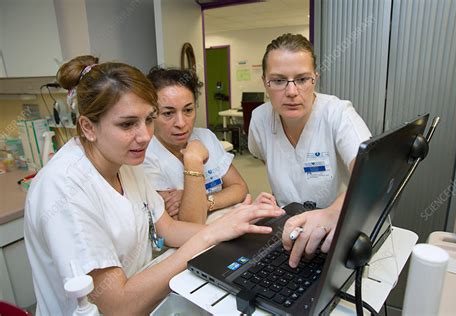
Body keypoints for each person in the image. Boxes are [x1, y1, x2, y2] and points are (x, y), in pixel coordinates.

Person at [23, 55, 285, 315]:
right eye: (127, 124)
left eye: (149, 119)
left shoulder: (124, 163)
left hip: (147, 294)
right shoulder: (65, 189)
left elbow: (168, 228)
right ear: (88, 127)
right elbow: (118, 304)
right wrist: (207, 235)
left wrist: (228, 227)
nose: (145, 136)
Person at [248, 33, 372, 267]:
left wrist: (333, 212)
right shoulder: (260, 120)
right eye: (278, 80)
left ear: (315, 78)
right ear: (265, 82)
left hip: (339, 224)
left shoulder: (338, 113)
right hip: (288, 228)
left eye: (302, 79)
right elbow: (273, 160)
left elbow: (370, 175)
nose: (292, 91)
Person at [142, 67, 262, 224]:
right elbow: (189, 221)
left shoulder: (206, 137)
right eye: (168, 113)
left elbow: (240, 188)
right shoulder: (145, 155)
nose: (181, 123)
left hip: (230, 225)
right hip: (194, 241)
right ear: (151, 114)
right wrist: (193, 161)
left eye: (188, 110)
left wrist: (203, 201)